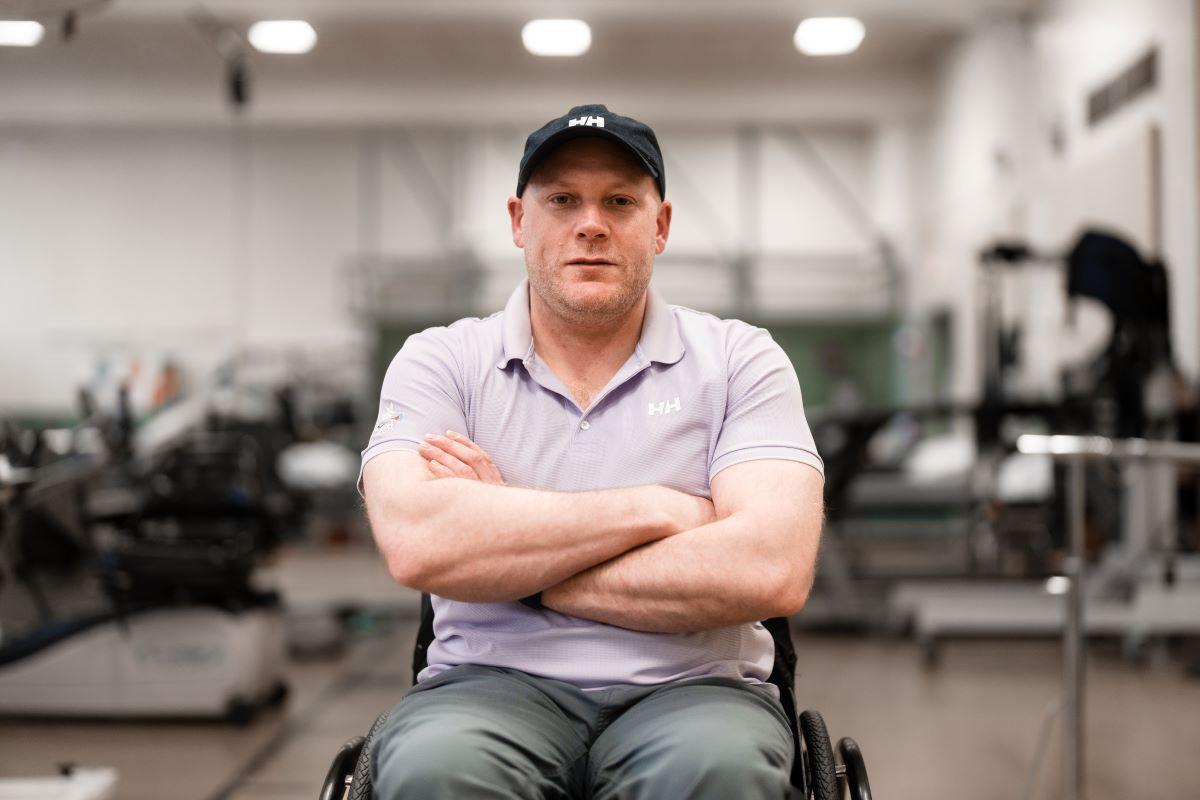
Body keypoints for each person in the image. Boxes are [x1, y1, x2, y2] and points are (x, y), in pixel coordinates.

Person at [359, 104, 825, 799]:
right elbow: (420, 548)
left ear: (659, 225)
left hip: (695, 689)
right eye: (562, 200)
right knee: (437, 769)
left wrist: (509, 550)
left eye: (619, 201)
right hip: (487, 687)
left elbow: (770, 569)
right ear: (519, 221)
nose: (591, 223)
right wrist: (662, 509)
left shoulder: (739, 360)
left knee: (716, 770)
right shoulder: (441, 362)